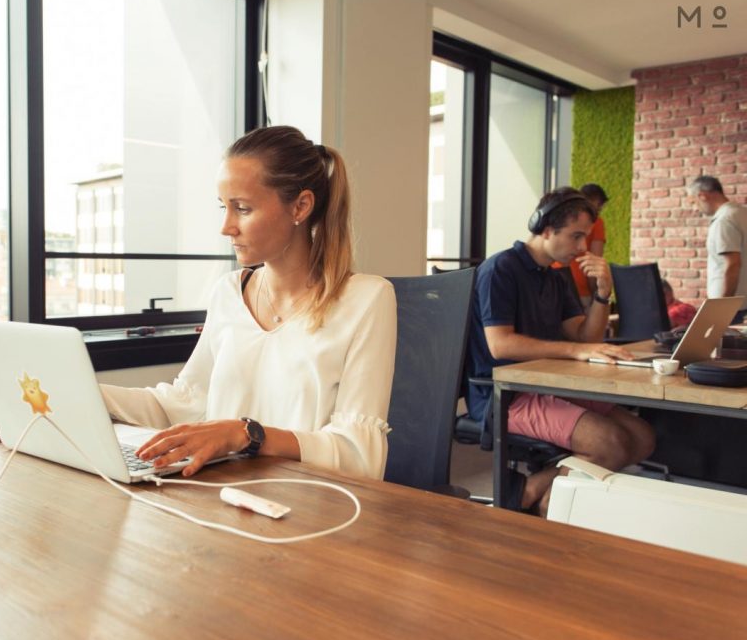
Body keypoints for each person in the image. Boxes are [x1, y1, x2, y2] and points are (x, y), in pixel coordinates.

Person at [99, 126, 397, 480]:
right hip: (225, 497)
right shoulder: (229, 292)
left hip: (312, 508)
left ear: (300, 206)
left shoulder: (367, 299)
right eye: (223, 207)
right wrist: (88, 393)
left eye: (242, 208)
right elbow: (182, 403)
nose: (226, 227)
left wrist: (246, 435)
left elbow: (360, 454)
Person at [465, 187, 655, 514]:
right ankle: (542, 504)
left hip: (545, 385)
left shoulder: (556, 278)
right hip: (504, 395)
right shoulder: (501, 269)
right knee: (609, 443)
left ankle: (531, 489)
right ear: (547, 228)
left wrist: (602, 293)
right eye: (576, 236)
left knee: (642, 437)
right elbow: (501, 344)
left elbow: (583, 337)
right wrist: (574, 352)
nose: (583, 248)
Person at [687, 175, 747, 324]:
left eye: (693, 202)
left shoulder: (724, 220)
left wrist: (722, 308)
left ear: (702, 196)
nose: (695, 209)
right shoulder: (741, 213)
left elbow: (733, 264)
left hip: (732, 310)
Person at [551, 183, 608, 310]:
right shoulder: (597, 222)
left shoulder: (565, 218)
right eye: (598, 209)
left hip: (553, 286)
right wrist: (598, 296)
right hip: (580, 292)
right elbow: (593, 262)